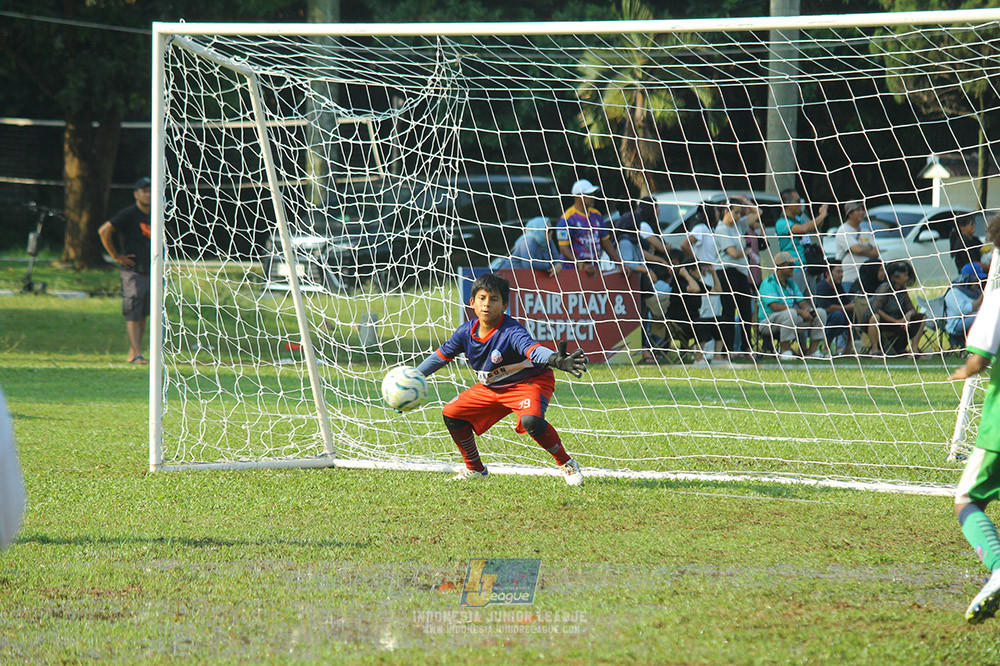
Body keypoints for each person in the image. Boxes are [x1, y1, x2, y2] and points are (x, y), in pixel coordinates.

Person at [415, 273, 588, 484]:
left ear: (505, 305)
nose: (487, 304)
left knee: (531, 421)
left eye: (494, 299)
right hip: (492, 388)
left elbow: (532, 350)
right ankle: (475, 469)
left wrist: (555, 359)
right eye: (482, 298)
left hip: (528, 383)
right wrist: (414, 377)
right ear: (472, 302)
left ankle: (567, 463)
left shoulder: (511, 331)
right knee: (452, 413)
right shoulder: (465, 332)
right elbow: (440, 357)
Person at [951, 214, 1000, 623]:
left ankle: (999, 570)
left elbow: (980, 358)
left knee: (967, 498)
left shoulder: (998, 295)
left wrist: (963, 370)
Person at [98, 177, 152, 364]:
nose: (148, 194)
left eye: (150, 190)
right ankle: (137, 354)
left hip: (151, 271)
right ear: (136, 194)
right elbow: (104, 231)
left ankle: (134, 352)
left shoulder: (155, 215)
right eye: (144, 191)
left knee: (144, 315)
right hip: (133, 272)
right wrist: (116, 256)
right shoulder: (129, 214)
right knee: (133, 313)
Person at [758, 251, 829, 358]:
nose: (793, 268)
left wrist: (808, 310)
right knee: (790, 313)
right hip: (768, 322)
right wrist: (800, 312)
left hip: (789, 319)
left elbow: (802, 302)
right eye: (790, 265)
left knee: (820, 313)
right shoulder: (768, 283)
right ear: (780, 266)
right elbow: (774, 306)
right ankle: (785, 351)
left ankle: (813, 351)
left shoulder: (791, 284)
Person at [714, 201, 756, 358]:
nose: (739, 216)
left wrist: (744, 201)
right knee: (729, 311)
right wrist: (746, 251)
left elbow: (758, 213)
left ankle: (747, 348)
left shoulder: (739, 226)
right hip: (726, 272)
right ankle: (727, 348)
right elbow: (733, 253)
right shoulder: (721, 229)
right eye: (736, 212)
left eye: (740, 213)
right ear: (726, 211)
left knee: (746, 311)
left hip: (741, 273)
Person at [555, 178, 622, 277]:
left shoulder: (597, 215)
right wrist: (581, 265)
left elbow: (606, 242)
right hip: (572, 272)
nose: (593, 197)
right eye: (589, 195)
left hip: (594, 270)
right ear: (578, 197)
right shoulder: (567, 219)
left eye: (593, 194)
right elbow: (563, 249)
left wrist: (619, 263)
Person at [774, 188, 829, 293]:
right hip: (795, 269)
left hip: (808, 267)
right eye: (798, 201)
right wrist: (822, 215)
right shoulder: (781, 223)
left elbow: (815, 228)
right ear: (789, 204)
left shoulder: (799, 219)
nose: (801, 204)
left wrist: (821, 215)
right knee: (796, 303)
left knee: (811, 304)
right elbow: (804, 229)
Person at [869, 260, 926, 356]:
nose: (907, 278)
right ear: (895, 278)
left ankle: (914, 349)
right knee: (875, 317)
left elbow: (911, 309)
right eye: (905, 275)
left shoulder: (902, 290)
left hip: (899, 320)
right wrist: (895, 321)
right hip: (883, 320)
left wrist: (908, 314)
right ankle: (874, 350)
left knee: (922, 318)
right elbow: (876, 309)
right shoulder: (885, 288)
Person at [490, 216, 562, 277]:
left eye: (552, 229)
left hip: (527, 279)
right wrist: (550, 265)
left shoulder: (548, 240)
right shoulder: (528, 241)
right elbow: (528, 264)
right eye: (548, 230)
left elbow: (557, 259)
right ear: (539, 230)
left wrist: (558, 265)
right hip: (509, 276)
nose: (551, 232)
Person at [834, 201, 878, 292]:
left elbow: (876, 252)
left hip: (865, 280)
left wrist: (861, 248)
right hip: (848, 279)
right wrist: (869, 247)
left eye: (863, 210)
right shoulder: (843, 230)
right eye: (858, 210)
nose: (862, 212)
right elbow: (857, 249)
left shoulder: (866, 231)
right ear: (849, 213)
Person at [814, 262, 856, 355]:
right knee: (838, 315)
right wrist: (847, 307)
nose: (841, 275)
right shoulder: (822, 286)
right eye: (838, 272)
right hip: (823, 319)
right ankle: (826, 347)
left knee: (854, 314)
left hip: (838, 316)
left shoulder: (838, 286)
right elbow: (826, 308)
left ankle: (848, 347)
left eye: (842, 272)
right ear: (828, 273)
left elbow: (847, 302)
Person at [944, 258, 988, 346]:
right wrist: (980, 301)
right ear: (969, 279)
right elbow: (963, 311)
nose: (978, 283)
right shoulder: (954, 292)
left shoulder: (976, 291)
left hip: (972, 316)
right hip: (957, 323)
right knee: (983, 317)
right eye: (976, 280)